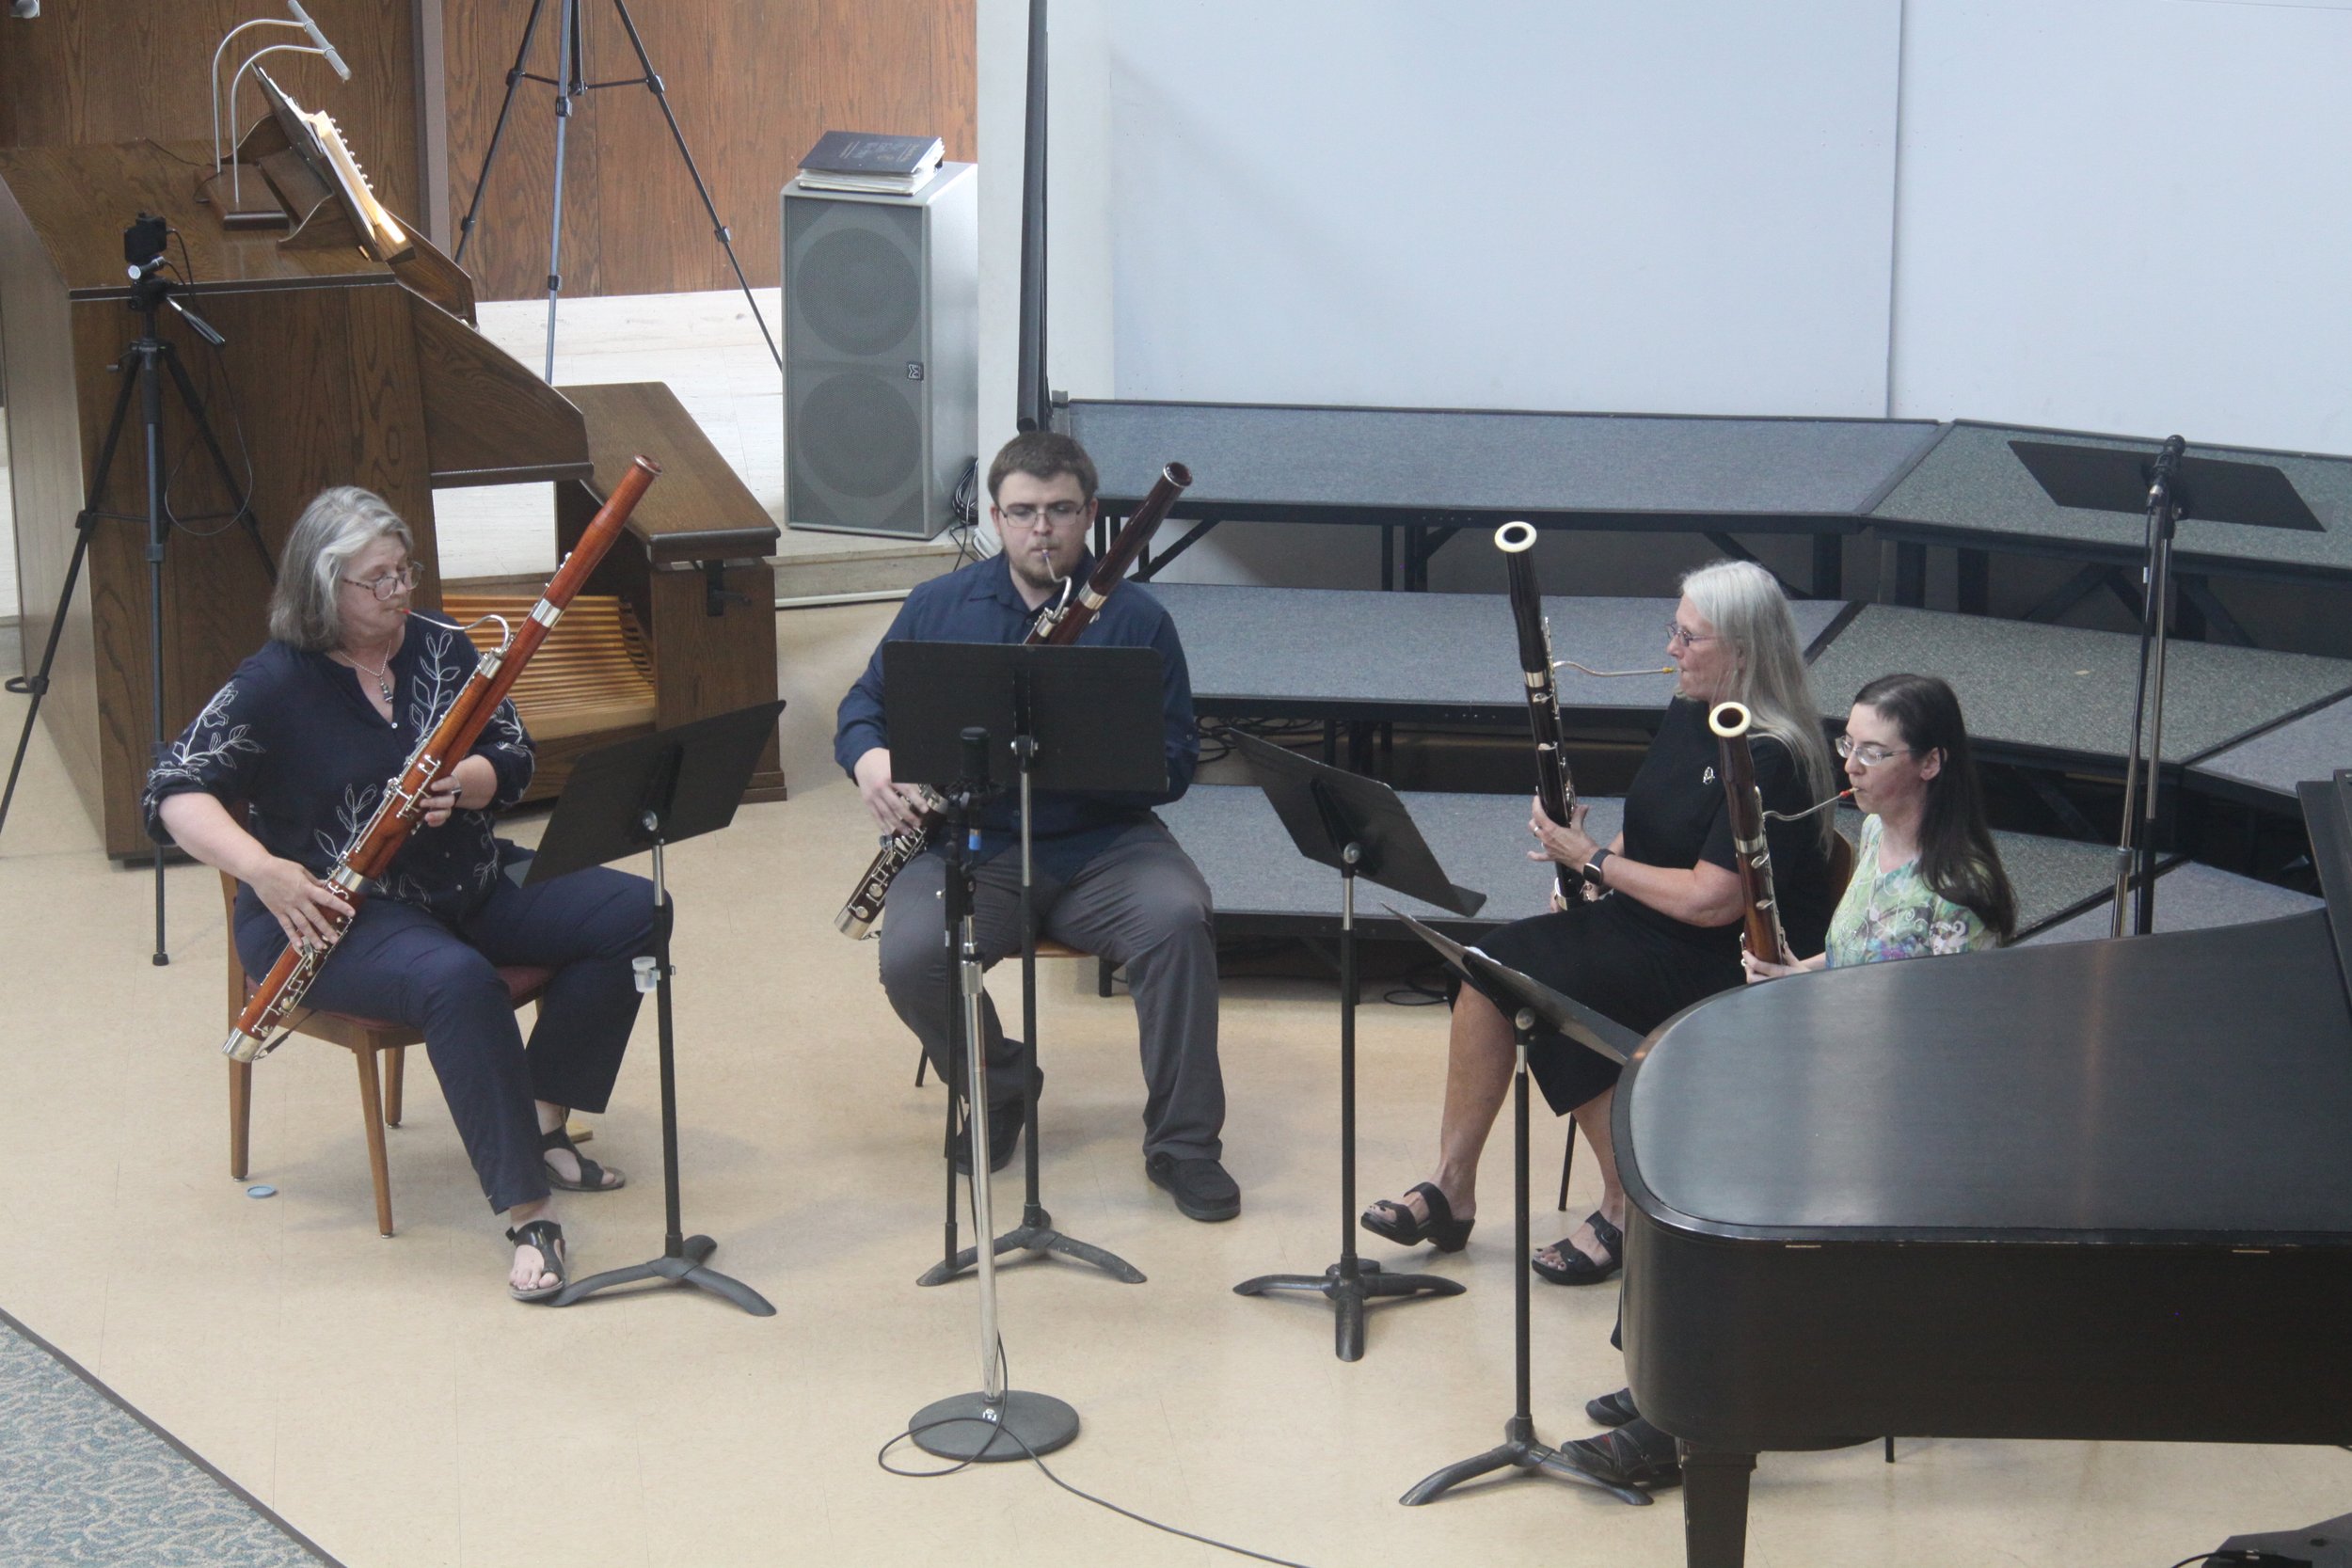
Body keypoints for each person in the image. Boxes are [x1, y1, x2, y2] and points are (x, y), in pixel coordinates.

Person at [146, 486, 654, 1302]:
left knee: (632, 914)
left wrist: (471, 781)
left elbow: (514, 751)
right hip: (333, 916)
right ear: (323, 588)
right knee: (455, 980)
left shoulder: (442, 643)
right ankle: (529, 1210)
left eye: (404, 570)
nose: (400, 591)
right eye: (376, 579)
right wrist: (264, 870)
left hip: (468, 879)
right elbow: (174, 790)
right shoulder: (275, 680)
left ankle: (542, 1118)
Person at [1564, 670, 2016, 1491]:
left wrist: (1808, 1008)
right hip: (1836, 1073)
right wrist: (1793, 972)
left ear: (1932, 763)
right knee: (1671, 1131)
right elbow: (1852, 965)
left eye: (1876, 752)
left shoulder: (1959, 893)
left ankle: (1685, 1417)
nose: (1853, 766)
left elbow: (1935, 1043)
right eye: (1850, 744)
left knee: (1720, 1182)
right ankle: (1665, 1378)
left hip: (1897, 1126)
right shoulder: (1879, 833)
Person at [1362, 559, 1839, 1284]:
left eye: (1689, 637)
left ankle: (1624, 1204)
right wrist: (1596, 863)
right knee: (1491, 969)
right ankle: (1450, 1184)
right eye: (1673, 631)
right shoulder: (1692, 710)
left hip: (1726, 961)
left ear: (1741, 650)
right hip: (1649, 926)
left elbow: (1713, 899)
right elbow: (1651, 833)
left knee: (1544, 986)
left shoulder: (1773, 753)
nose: (1671, 651)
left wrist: (1590, 862)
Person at [834, 431, 1236, 1222]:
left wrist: (1096, 754)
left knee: (1178, 921)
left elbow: (1180, 758)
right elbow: (862, 707)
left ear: (1090, 515)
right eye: (1022, 512)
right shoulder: (937, 605)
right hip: (970, 843)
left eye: (1059, 511)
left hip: (1103, 843)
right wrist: (873, 760)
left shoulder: (1138, 619)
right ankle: (1001, 1081)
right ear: (995, 516)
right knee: (913, 953)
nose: (1041, 529)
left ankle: (1185, 1144)